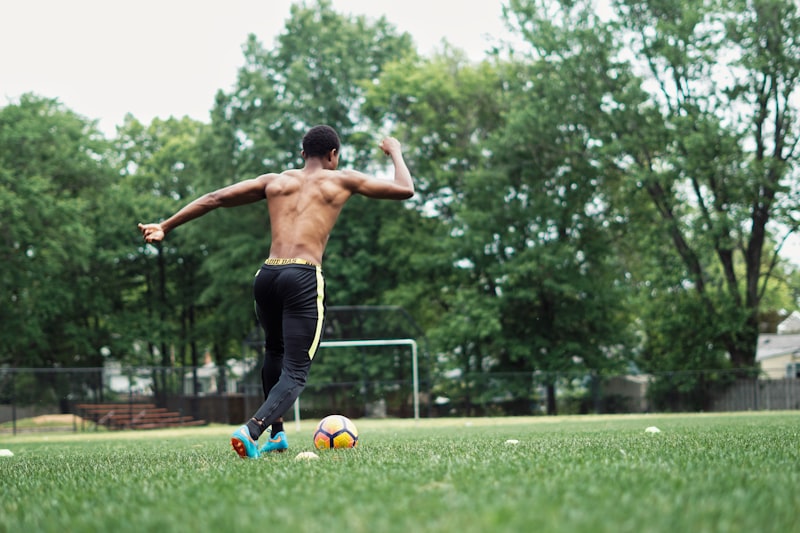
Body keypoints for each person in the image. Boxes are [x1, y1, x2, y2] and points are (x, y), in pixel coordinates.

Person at [138, 125, 414, 458]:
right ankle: (252, 430)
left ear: (302, 155)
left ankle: (278, 435)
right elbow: (404, 189)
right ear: (333, 155)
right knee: (296, 370)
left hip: (267, 275)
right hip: (302, 275)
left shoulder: (275, 181)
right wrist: (395, 150)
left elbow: (215, 199)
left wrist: (165, 225)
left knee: (274, 351)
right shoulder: (341, 179)